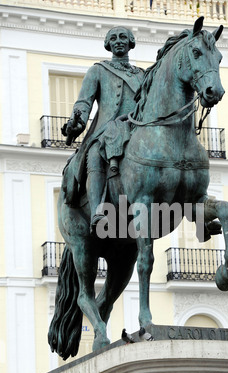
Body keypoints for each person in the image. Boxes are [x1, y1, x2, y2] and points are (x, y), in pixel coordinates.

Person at [63, 27, 144, 232]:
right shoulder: (98, 70)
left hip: (137, 128)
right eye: (113, 38)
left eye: (123, 37)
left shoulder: (142, 75)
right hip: (107, 129)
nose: (118, 41)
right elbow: (84, 103)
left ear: (130, 42)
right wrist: (76, 122)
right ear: (108, 44)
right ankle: (99, 209)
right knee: (94, 153)